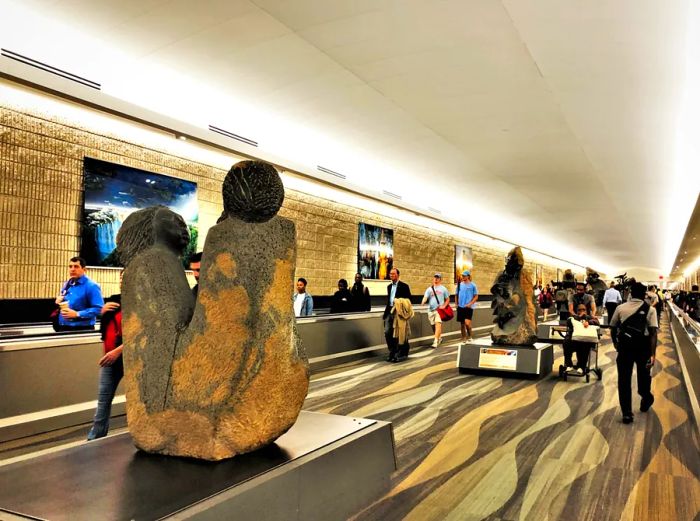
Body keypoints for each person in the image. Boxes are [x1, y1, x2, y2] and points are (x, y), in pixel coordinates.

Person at [610, 282, 658, 424]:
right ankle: (646, 396)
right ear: (644, 295)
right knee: (644, 376)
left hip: (625, 347)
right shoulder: (650, 310)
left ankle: (627, 413)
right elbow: (653, 333)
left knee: (623, 379)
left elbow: (612, 327)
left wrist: (615, 343)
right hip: (643, 347)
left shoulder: (620, 308)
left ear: (630, 293)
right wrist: (652, 354)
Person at [87, 275, 123, 440]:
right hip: (109, 360)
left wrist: (118, 351)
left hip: (130, 360)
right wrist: (102, 313)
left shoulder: (141, 303)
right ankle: (96, 435)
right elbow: (105, 330)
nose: (122, 282)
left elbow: (142, 334)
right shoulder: (114, 302)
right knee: (103, 399)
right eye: (121, 279)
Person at [54, 256, 104, 332]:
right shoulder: (67, 284)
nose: (72, 269)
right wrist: (58, 301)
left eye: (76, 266)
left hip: (81, 329)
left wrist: (77, 314)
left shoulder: (91, 286)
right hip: (63, 327)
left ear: (84, 270)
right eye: (70, 266)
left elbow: (98, 309)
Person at [563, 303, 600, 374]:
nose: (581, 311)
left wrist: (588, 322)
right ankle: (569, 364)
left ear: (586, 311)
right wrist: (579, 317)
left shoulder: (589, 317)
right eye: (579, 310)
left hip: (585, 341)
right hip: (574, 341)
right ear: (576, 311)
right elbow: (568, 322)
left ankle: (581, 366)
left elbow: (597, 322)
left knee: (585, 345)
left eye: (583, 309)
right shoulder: (573, 317)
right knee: (566, 342)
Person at [384, 267, 411, 362]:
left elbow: (408, 300)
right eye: (390, 274)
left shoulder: (404, 286)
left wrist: (399, 303)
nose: (391, 275)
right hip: (389, 312)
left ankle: (401, 352)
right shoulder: (389, 287)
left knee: (400, 333)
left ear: (398, 275)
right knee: (387, 332)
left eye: (393, 274)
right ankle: (392, 351)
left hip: (399, 313)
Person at [421, 273, 451, 348]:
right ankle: (439, 338)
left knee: (438, 324)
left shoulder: (443, 289)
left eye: (437, 278)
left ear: (440, 279)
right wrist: (423, 301)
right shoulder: (429, 289)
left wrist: (444, 306)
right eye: (435, 277)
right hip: (431, 310)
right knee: (433, 326)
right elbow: (425, 297)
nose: (436, 279)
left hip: (439, 310)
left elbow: (447, 299)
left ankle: (435, 341)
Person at [455, 270, 478, 342]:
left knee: (467, 323)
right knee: (462, 324)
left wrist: (470, 304)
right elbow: (456, 295)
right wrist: (456, 303)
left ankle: (470, 336)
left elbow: (476, 296)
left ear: (468, 276)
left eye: (464, 276)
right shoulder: (459, 285)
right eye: (462, 276)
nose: (463, 277)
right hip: (460, 306)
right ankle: (464, 337)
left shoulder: (473, 285)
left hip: (468, 307)